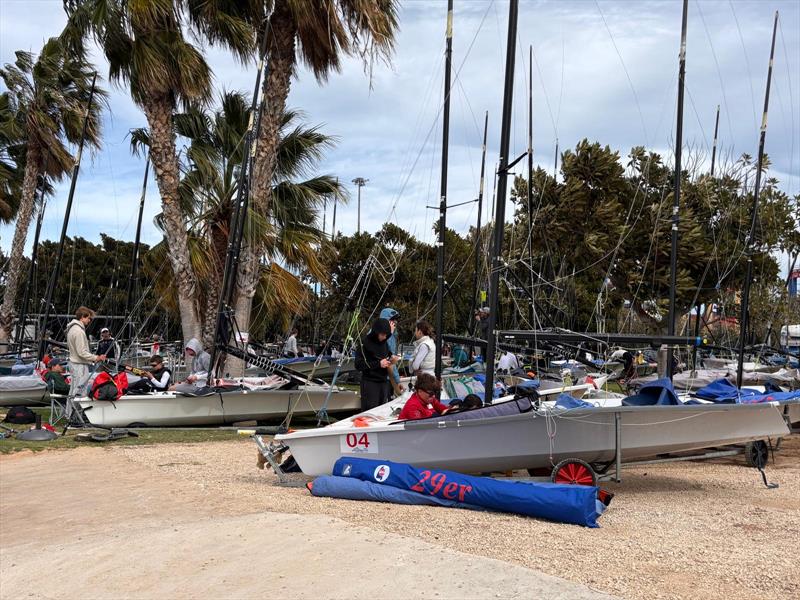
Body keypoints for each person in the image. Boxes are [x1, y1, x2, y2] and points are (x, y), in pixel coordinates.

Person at [354, 317, 398, 411]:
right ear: (376, 332)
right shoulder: (365, 343)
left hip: (383, 382)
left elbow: (387, 354)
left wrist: (392, 358)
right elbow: (358, 365)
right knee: (370, 411)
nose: (384, 337)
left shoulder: (383, 342)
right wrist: (378, 364)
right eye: (382, 335)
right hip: (370, 383)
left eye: (386, 335)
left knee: (381, 411)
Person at [66, 306, 106, 402]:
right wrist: (96, 358)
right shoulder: (79, 332)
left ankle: (70, 411)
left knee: (73, 392)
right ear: (82, 317)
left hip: (74, 364)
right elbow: (81, 352)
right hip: (80, 366)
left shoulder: (71, 329)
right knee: (79, 393)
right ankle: (77, 411)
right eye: (88, 318)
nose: (89, 320)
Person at [379, 307, 404, 395]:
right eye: (392, 320)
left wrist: (397, 380)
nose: (395, 322)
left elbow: (391, 360)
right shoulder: (385, 336)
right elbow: (389, 360)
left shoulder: (392, 335)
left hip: (386, 378)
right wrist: (397, 381)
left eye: (395, 320)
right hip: (381, 378)